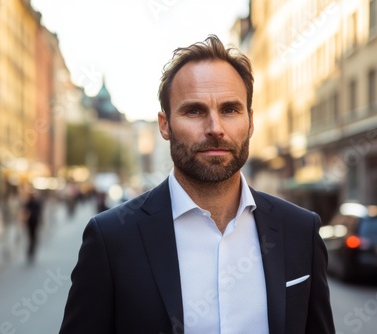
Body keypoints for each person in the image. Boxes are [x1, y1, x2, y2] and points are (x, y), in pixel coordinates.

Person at [60, 35, 335, 334]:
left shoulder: (299, 230)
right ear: (164, 125)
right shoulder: (111, 238)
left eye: (230, 109)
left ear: (251, 121)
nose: (215, 128)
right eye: (194, 111)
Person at [23, 192, 42, 263]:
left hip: (30, 222)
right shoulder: (37, 204)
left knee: (31, 236)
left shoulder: (28, 203)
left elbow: (25, 213)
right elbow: (40, 213)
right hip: (34, 222)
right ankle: (32, 248)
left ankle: (31, 248)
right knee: (33, 236)